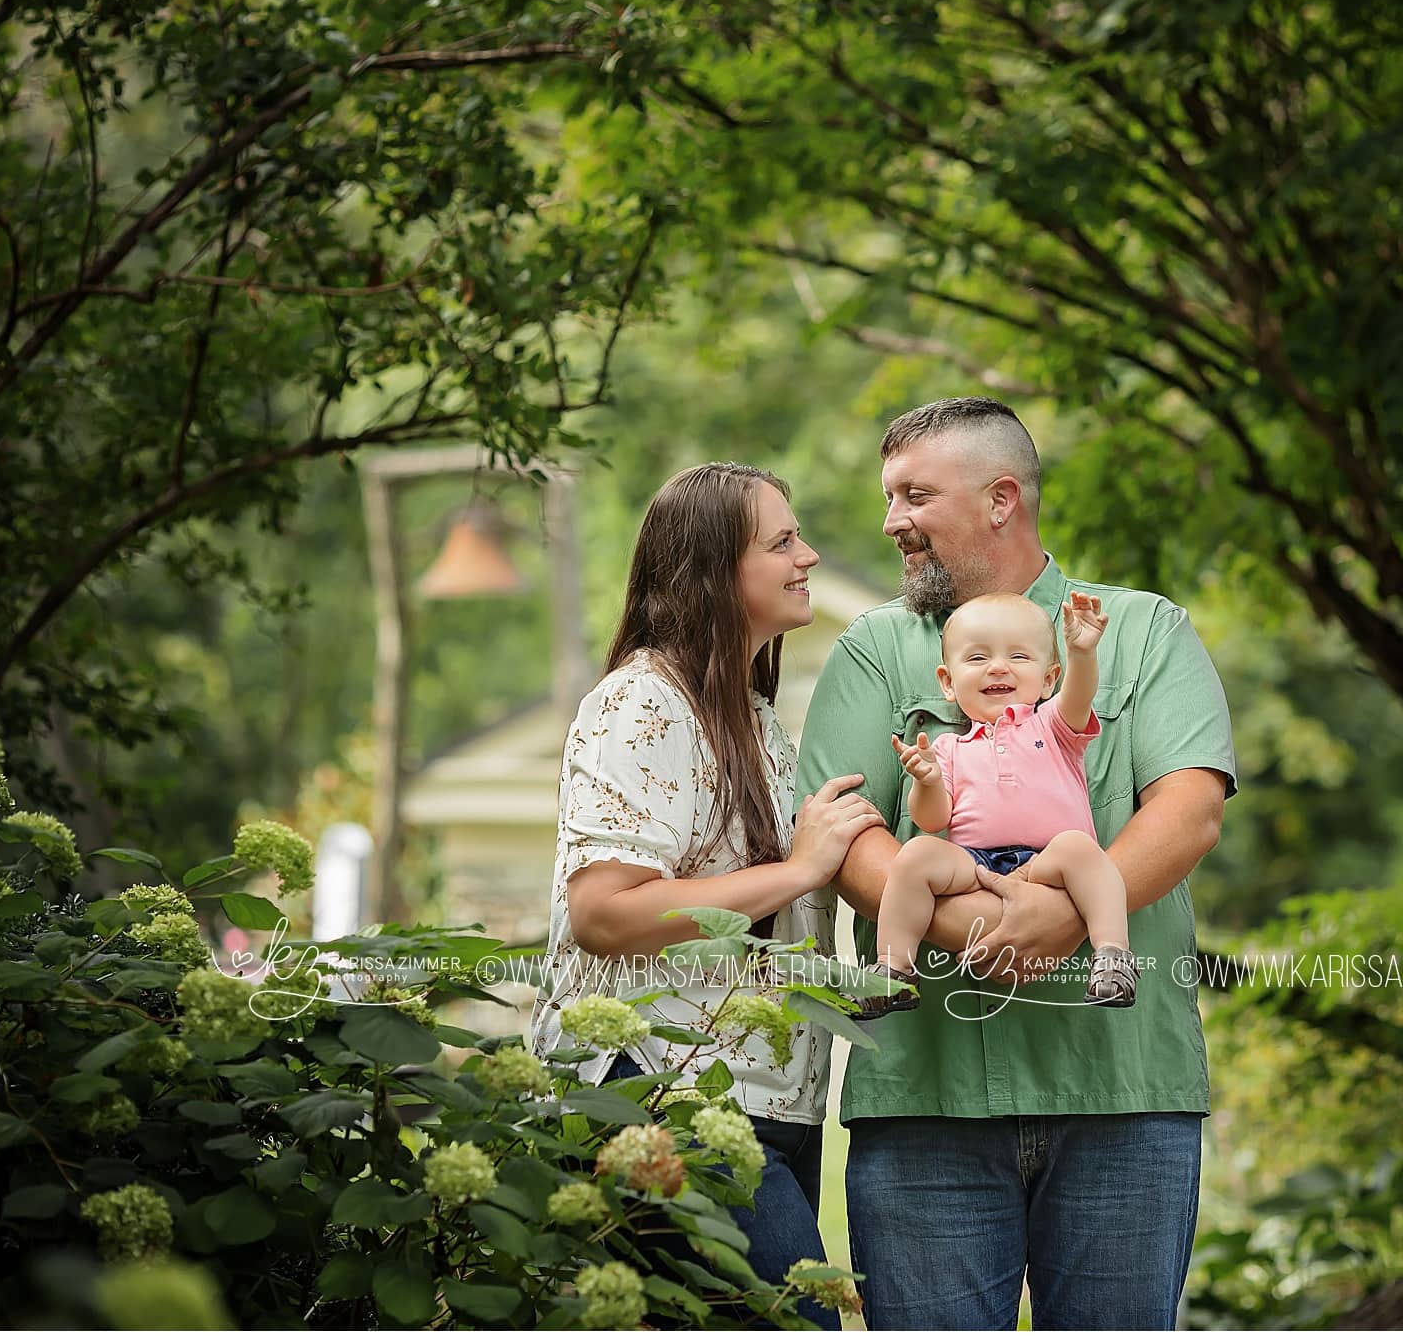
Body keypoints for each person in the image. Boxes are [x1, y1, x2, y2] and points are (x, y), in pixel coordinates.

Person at [795, 397, 1236, 1330]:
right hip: (926, 1103)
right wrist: (986, 930)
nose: (891, 524)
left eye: (915, 496)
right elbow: (844, 832)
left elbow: (1190, 811)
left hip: (1122, 1090)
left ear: (1002, 500)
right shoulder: (877, 650)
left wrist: (1065, 917)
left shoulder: (1142, 630)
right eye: (888, 500)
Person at [529, 462, 882, 1328]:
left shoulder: (752, 716)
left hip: (762, 1109)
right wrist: (799, 869)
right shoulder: (642, 706)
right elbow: (606, 912)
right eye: (782, 542)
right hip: (660, 1093)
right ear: (713, 570)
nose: (810, 556)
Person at [854, 590, 1136, 1016]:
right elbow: (932, 821)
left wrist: (1082, 653)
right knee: (914, 855)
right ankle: (893, 970)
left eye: (1019, 657)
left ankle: (1113, 956)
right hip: (976, 866)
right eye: (978, 658)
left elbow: (1078, 695)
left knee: (1082, 850)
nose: (998, 667)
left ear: (1048, 679)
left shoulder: (1055, 725)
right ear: (948, 682)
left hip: (1048, 863)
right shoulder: (948, 747)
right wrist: (928, 780)